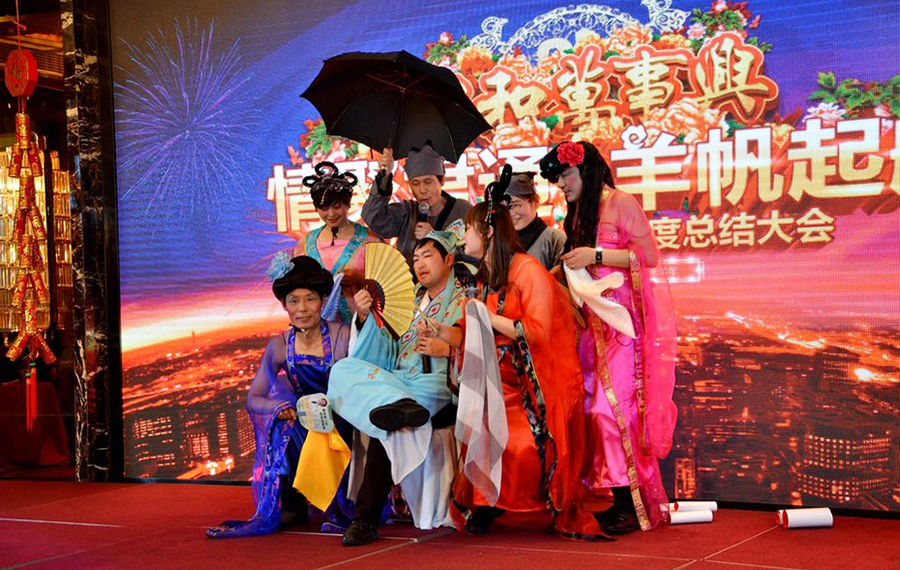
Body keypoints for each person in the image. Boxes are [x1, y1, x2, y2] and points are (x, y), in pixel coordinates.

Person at [434, 198, 605, 540]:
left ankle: (524, 502)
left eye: (468, 229)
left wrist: (488, 316)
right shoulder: (486, 277)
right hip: (495, 380)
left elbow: (537, 332)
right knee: (480, 431)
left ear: (488, 232)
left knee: (519, 442)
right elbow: (470, 333)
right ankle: (486, 503)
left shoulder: (528, 270)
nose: (463, 236)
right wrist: (441, 332)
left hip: (530, 383)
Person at [540, 140, 677, 534]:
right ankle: (612, 498)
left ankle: (630, 503)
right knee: (590, 408)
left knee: (612, 408)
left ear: (585, 170)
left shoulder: (621, 202)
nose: (561, 184)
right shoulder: (577, 213)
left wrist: (595, 255)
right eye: (557, 178)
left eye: (565, 175)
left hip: (622, 326)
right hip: (591, 326)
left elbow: (648, 257)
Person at [327, 231, 467, 545]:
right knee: (342, 369)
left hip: (437, 385)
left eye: (427, 256)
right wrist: (366, 317)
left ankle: (365, 519)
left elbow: (483, 349)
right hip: (400, 382)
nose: (420, 264)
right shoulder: (410, 302)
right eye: (415, 259)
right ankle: (399, 405)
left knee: (388, 428)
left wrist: (448, 350)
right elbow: (383, 351)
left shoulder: (466, 301)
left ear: (449, 259)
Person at [206, 256, 353, 538]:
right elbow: (254, 398)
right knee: (283, 424)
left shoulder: (343, 336)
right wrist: (279, 406)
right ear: (284, 305)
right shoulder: (278, 346)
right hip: (304, 419)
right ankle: (292, 505)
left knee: (318, 427)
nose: (302, 308)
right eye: (294, 301)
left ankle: (343, 507)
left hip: (343, 418)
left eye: (310, 299)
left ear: (323, 300)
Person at [295, 161, 381, 323]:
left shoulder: (371, 241)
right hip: (320, 327)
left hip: (363, 325)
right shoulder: (305, 244)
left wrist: (359, 280)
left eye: (336, 206)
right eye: (324, 208)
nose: (331, 214)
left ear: (348, 204)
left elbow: (387, 285)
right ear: (316, 208)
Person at [361, 143, 471, 266]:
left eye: (428, 182)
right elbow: (372, 217)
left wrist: (436, 238)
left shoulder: (462, 210)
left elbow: (473, 252)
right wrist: (384, 174)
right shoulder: (407, 212)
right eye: (415, 183)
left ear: (442, 180)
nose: (422, 190)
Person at [505, 171, 566, 271]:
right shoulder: (500, 242)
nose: (511, 213)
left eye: (517, 205)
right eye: (505, 207)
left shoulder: (555, 239)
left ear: (535, 201)